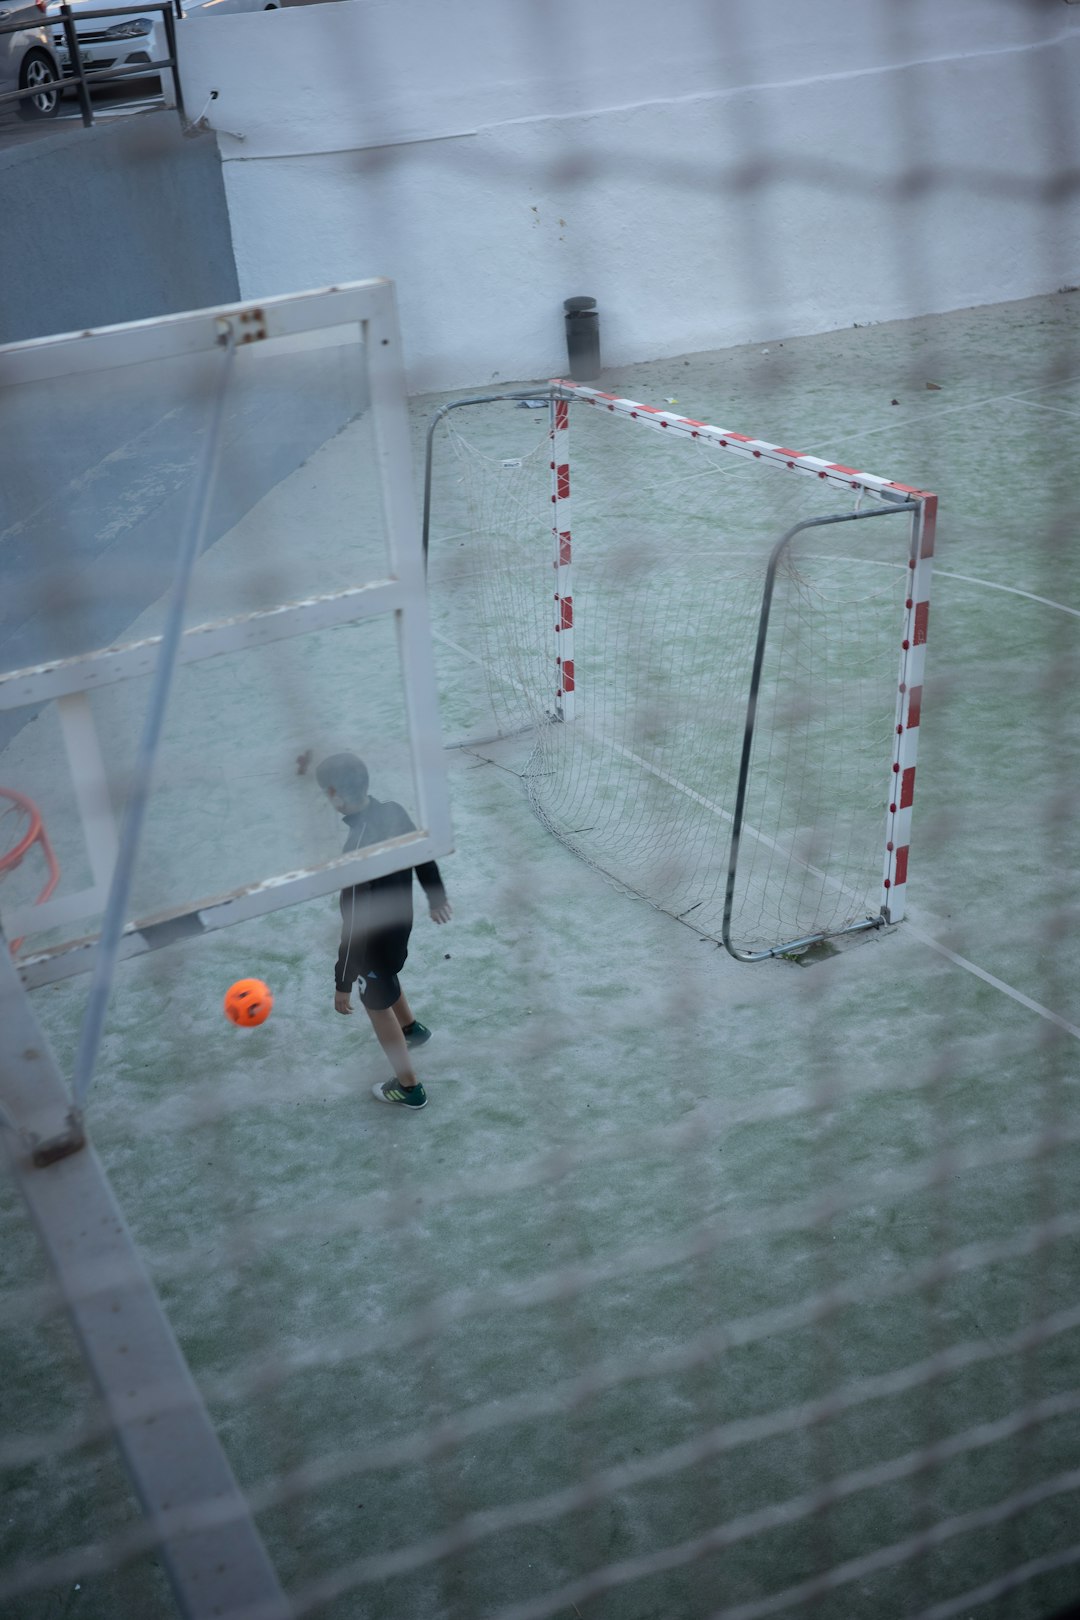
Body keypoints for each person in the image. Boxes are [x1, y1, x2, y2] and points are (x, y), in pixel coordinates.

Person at [316, 752, 451, 1110]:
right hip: (399, 924)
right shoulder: (392, 810)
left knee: (375, 1003)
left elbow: (354, 923)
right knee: (386, 976)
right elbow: (422, 853)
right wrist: (435, 896)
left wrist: (343, 981)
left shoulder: (356, 853)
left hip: (372, 941)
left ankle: (409, 1087)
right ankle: (411, 1029)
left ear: (334, 794)